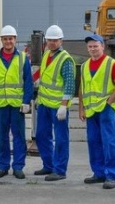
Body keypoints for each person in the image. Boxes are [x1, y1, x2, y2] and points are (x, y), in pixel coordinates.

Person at [77, 34, 115, 190]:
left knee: (109, 142)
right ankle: (99, 173)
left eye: (95, 46)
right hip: (91, 111)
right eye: (90, 47)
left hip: (105, 110)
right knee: (94, 142)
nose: (92, 49)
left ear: (102, 46)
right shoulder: (84, 66)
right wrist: (81, 108)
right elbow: (82, 88)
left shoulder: (111, 64)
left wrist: (109, 103)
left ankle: (112, 175)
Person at [0, 25, 32, 180]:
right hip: (0, 105)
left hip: (17, 105)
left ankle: (18, 167)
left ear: (15, 40)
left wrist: (26, 102)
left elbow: (28, 82)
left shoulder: (23, 58)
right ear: (1, 40)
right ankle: (2, 166)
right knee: (1, 137)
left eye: (10, 38)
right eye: (5, 39)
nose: (8, 41)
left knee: (19, 136)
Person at [34, 25, 74, 181]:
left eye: (54, 40)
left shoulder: (65, 59)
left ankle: (60, 170)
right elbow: (43, 75)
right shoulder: (46, 54)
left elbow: (70, 84)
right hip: (44, 104)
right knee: (42, 135)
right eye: (49, 40)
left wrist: (64, 105)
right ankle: (48, 165)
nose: (51, 43)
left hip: (58, 107)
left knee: (61, 138)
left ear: (61, 40)